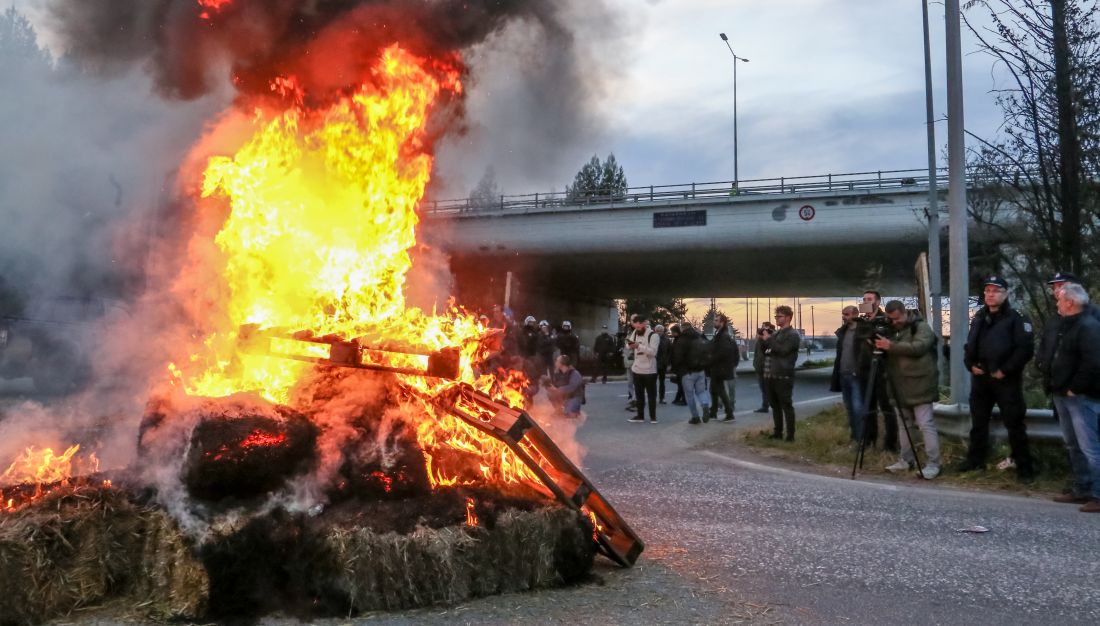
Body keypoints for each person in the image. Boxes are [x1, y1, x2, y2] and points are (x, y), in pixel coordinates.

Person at [958, 276, 1037, 482]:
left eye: (996, 291)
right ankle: (976, 461)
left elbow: (1025, 349)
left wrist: (1005, 370)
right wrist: (970, 364)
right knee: (978, 423)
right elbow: (969, 345)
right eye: (988, 291)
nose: (991, 294)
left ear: (1005, 294)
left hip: (1005, 380)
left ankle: (1024, 467)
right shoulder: (979, 316)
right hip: (981, 379)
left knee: (1014, 424)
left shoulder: (1016, 317)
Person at [1045, 283, 1100, 512]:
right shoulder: (1066, 325)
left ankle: (1097, 494)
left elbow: (1093, 362)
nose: (1057, 302)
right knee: (1073, 445)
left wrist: (1075, 388)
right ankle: (1082, 488)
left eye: (1060, 299)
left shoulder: (1088, 327)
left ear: (1070, 302)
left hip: (1080, 396)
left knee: (1090, 447)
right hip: (1062, 393)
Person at [875, 300, 942, 479]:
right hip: (899, 385)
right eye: (891, 319)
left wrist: (891, 346)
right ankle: (906, 460)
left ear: (905, 312)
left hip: (920, 385)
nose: (894, 322)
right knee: (904, 425)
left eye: (897, 318)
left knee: (925, 424)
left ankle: (934, 464)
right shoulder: (895, 330)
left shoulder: (921, 328)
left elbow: (918, 348)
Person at [860, 290, 899, 452]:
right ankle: (869, 441)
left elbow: (888, 342)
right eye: (864, 299)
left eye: (869, 299)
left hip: (882, 370)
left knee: (886, 408)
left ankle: (890, 445)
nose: (866, 302)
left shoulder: (886, 321)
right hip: (865, 370)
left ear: (877, 302)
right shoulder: (862, 321)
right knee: (868, 407)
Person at [830, 306, 871, 443]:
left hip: (857, 376)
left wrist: (859, 370)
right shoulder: (843, 332)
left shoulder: (863, 331)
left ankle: (862, 439)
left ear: (855, 314)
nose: (844, 317)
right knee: (849, 408)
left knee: (858, 408)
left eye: (846, 314)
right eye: (843, 314)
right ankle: (854, 437)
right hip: (843, 374)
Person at [762, 306, 801, 440]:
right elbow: (768, 350)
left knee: (786, 405)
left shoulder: (793, 335)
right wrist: (764, 340)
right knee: (775, 406)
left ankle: (790, 436)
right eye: (776, 317)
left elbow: (783, 350)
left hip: (783, 374)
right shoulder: (777, 334)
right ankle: (777, 432)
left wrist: (769, 339)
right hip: (771, 374)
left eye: (780, 316)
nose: (777, 319)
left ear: (788, 317)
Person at [672, 321, 711, 423]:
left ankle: (695, 417)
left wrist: (676, 369)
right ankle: (705, 404)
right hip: (700, 370)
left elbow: (677, 357)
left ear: (683, 328)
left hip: (687, 372)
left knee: (689, 395)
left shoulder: (681, 340)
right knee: (701, 391)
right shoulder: (699, 337)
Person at [626, 313, 660, 423]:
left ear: (645, 323)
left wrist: (638, 346)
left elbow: (653, 352)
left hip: (650, 371)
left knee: (651, 395)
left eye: (639, 326)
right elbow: (628, 344)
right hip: (637, 369)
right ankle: (640, 416)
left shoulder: (653, 336)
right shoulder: (635, 333)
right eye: (635, 327)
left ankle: (653, 417)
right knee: (639, 395)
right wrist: (629, 345)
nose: (637, 329)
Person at [708, 314, 738, 422]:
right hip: (718, 367)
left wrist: (711, 358)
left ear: (722, 323)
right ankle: (713, 412)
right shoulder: (720, 334)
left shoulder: (723, 336)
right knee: (714, 390)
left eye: (716, 320)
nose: (714, 322)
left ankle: (729, 413)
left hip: (720, 368)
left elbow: (723, 352)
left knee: (720, 390)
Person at [545, 354, 585, 419]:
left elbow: (571, 387)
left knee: (570, 415)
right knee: (551, 394)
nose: (555, 362)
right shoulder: (558, 373)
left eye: (557, 361)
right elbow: (556, 385)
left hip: (574, 396)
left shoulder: (574, 373)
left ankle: (574, 411)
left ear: (562, 363)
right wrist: (550, 387)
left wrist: (558, 390)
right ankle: (559, 410)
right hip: (565, 397)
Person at [752, 322, 775, 413]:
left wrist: (765, 339)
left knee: (767, 388)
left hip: (767, 366)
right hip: (759, 366)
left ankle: (767, 405)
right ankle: (766, 405)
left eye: (765, 328)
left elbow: (769, 351)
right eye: (762, 328)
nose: (762, 330)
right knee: (763, 388)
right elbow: (757, 353)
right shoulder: (760, 340)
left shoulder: (772, 339)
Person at [668, 324, 687, 405]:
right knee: (680, 384)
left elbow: (678, 353)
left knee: (681, 384)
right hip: (678, 365)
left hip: (681, 365)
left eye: (672, 332)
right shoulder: (676, 339)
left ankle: (684, 400)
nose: (671, 333)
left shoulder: (680, 340)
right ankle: (678, 398)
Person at [655, 324, 671, 404]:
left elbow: (669, 352)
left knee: (662, 382)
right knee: (652, 382)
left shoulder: (667, 340)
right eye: (657, 331)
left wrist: (668, 364)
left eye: (661, 331)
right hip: (653, 364)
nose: (659, 332)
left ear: (663, 331)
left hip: (663, 364)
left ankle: (662, 398)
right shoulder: (652, 339)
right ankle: (652, 397)